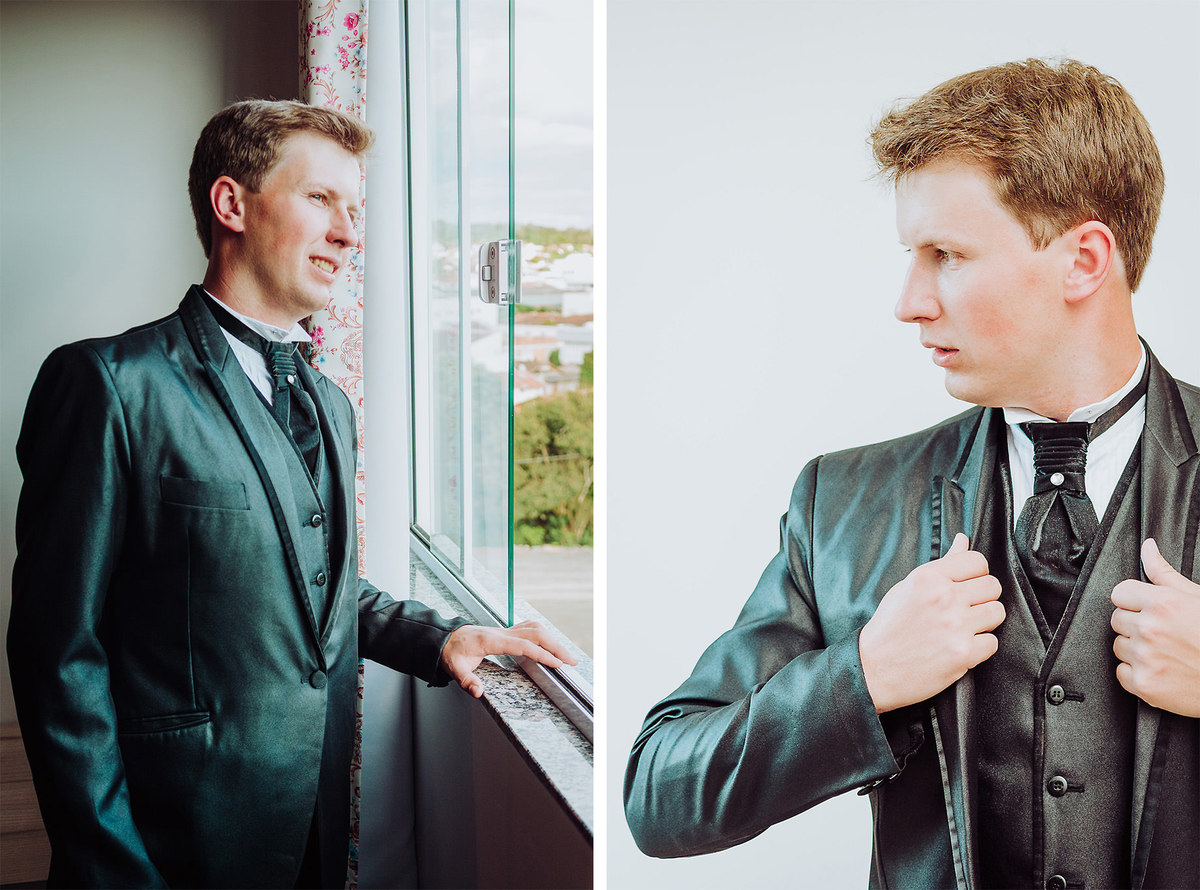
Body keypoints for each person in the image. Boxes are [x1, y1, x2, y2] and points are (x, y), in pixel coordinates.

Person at [624, 59, 1198, 890]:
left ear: (1084, 261)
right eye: (912, 255)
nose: (909, 300)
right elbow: (658, 793)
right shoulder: (845, 503)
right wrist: (859, 680)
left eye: (947, 254)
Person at [7, 100, 575, 890]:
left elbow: (313, 591)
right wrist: (112, 868)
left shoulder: (328, 403)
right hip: (164, 844)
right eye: (321, 200)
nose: (349, 232)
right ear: (232, 204)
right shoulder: (107, 385)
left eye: (354, 208)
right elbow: (56, 655)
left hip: (309, 830)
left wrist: (440, 637)